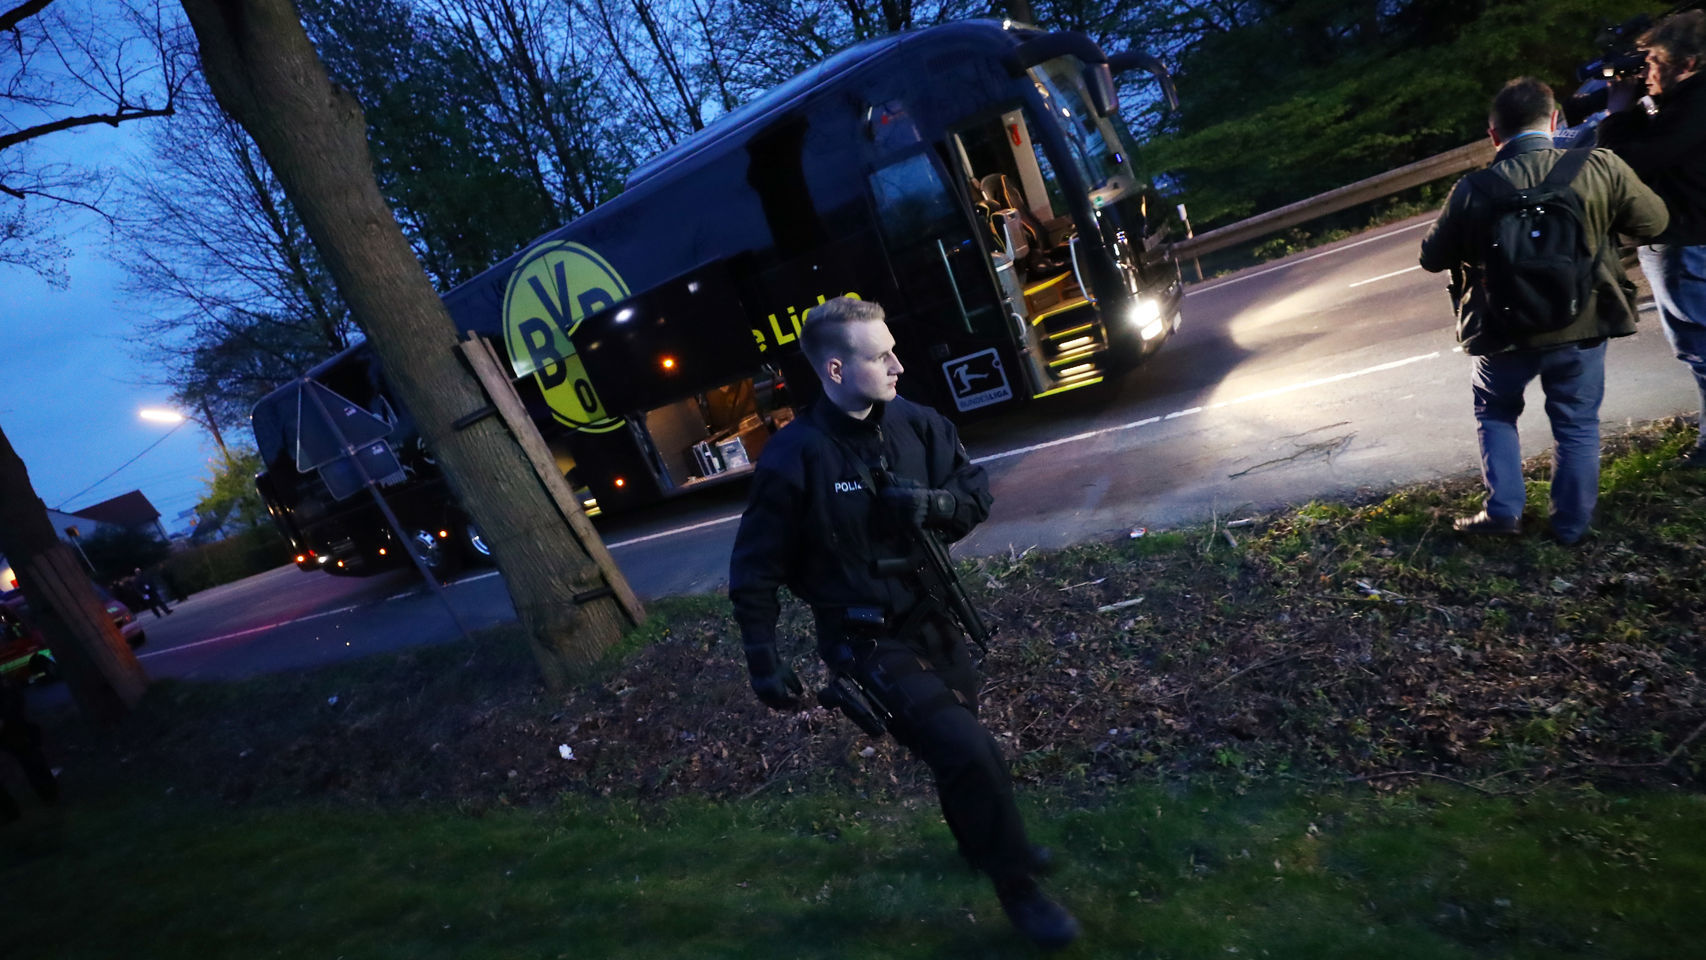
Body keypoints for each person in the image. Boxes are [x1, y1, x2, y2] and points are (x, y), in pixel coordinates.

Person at [728, 297, 1079, 950]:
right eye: (878, 354)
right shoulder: (794, 458)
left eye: (892, 347)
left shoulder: (919, 425)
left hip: (935, 619)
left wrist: (932, 504)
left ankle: (981, 845)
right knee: (971, 751)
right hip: (865, 641)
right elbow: (754, 568)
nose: (898, 362)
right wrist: (763, 658)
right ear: (834, 369)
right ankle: (1019, 888)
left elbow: (975, 494)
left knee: (959, 754)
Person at [1420, 77, 1668, 543]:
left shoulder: (1473, 189)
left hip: (1503, 330)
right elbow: (1654, 221)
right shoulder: (1600, 167)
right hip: (1585, 320)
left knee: (1494, 410)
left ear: (1494, 134)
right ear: (1554, 121)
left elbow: (1431, 258)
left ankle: (1504, 512)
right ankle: (1570, 526)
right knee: (1576, 423)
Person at [1597, 8, 1706, 467]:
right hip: (1685, 237)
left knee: (1700, 348)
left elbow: (1625, 162)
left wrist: (1617, 114)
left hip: (1687, 239)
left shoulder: (1696, 104)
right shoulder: (1684, 106)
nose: (1648, 74)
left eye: (1656, 63)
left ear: (1688, 63)